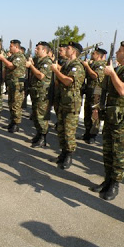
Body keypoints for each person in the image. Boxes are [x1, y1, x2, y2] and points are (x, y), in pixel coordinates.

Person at [90, 41, 124, 201]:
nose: (116, 53)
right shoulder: (118, 68)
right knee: (107, 151)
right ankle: (107, 179)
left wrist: (112, 73)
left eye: (119, 51)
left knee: (119, 153)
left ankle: (115, 184)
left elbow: (123, 90)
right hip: (111, 116)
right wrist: (96, 107)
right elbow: (101, 87)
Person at [50, 41, 85, 169]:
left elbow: (68, 81)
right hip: (62, 101)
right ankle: (63, 153)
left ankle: (69, 156)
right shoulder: (67, 65)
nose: (66, 49)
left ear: (74, 51)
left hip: (71, 103)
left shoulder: (77, 66)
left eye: (68, 48)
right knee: (61, 129)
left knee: (69, 132)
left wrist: (56, 71)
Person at [26, 41, 52, 147]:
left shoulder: (47, 62)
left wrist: (31, 66)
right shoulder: (39, 60)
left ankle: (43, 137)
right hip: (36, 92)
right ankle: (38, 134)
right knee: (36, 115)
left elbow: (41, 76)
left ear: (44, 50)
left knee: (41, 116)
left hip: (43, 93)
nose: (35, 50)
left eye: (38, 49)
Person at [0, 39, 26, 133]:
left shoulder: (19, 57)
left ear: (16, 47)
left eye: (11, 46)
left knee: (16, 104)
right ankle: (12, 121)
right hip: (11, 83)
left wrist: (3, 58)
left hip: (17, 84)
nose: (9, 48)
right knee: (10, 103)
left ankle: (16, 124)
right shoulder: (12, 56)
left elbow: (11, 66)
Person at [80, 47, 107, 144]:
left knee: (95, 114)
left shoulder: (101, 65)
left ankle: (93, 134)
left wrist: (87, 66)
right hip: (90, 91)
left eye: (94, 53)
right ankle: (87, 131)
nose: (92, 55)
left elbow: (95, 76)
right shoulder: (93, 64)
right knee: (87, 112)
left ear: (99, 55)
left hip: (97, 92)